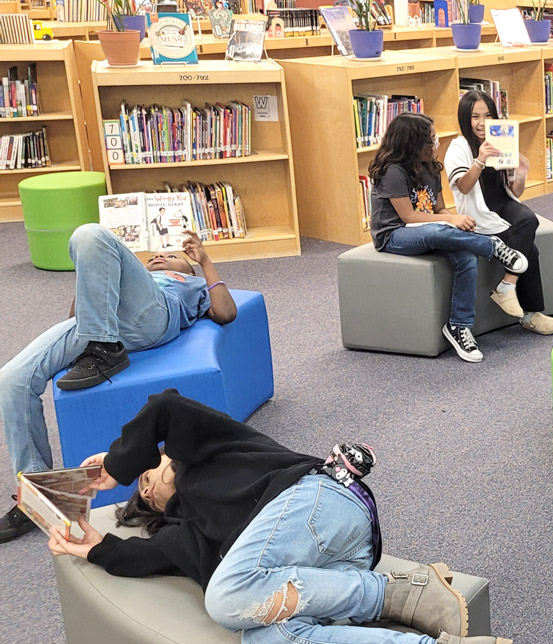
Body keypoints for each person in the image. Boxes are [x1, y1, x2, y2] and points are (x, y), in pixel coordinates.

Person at [43, 391, 503, 644]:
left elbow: (166, 408)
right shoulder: (186, 533)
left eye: (147, 475)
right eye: (144, 494)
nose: (146, 486)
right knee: (267, 641)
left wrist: (117, 466)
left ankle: (397, 594)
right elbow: (144, 556)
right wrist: (95, 547)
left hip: (321, 500)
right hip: (330, 563)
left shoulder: (208, 451)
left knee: (223, 600)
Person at [0, 224, 235, 544]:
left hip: (152, 319)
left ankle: (106, 350)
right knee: (12, 380)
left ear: (186, 269)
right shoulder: (126, 279)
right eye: (155, 256)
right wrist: (95, 275)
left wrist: (205, 263)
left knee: (88, 234)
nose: (161, 257)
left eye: (171, 256)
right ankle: (40, 496)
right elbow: (76, 315)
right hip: (98, 328)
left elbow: (226, 311)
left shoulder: (188, 284)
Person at [367, 112, 530, 363]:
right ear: (412, 144)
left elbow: (439, 210)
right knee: (439, 229)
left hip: (430, 230)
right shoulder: (393, 171)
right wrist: (449, 220)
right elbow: (409, 216)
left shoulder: (431, 168)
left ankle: (458, 326)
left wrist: (455, 222)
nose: (436, 144)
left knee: (465, 256)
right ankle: (492, 246)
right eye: (430, 140)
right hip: (394, 235)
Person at [443, 89, 553, 335]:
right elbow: (463, 187)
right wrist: (480, 159)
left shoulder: (501, 140)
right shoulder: (458, 147)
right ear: (465, 118)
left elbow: (514, 193)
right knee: (530, 243)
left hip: (502, 207)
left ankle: (512, 291)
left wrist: (521, 172)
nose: (482, 123)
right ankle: (524, 306)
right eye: (475, 117)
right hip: (479, 217)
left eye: (487, 115)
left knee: (528, 224)